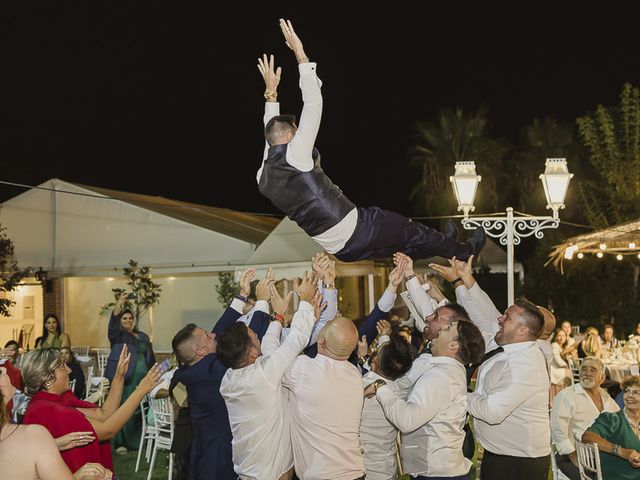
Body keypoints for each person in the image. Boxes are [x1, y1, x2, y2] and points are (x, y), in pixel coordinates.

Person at [256, 19, 486, 263]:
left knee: (406, 245)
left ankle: (447, 245)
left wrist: (271, 92)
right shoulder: (296, 155)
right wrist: (300, 54)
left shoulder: (263, 177)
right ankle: (465, 252)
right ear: (291, 136)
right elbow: (313, 103)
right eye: (296, 130)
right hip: (359, 229)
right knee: (410, 230)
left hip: (340, 251)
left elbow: (269, 134)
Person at [430, 256, 551, 480]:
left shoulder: (526, 366)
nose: (500, 318)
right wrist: (463, 280)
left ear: (523, 330)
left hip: (520, 463)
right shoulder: (505, 343)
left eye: (508, 317)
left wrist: (454, 391)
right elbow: (483, 312)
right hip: (502, 456)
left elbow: (492, 412)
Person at [170, 268, 272, 480]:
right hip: (219, 457)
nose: (213, 335)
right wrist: (262, 302)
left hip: (204, 450)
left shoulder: (195, 368)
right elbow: (244, 342)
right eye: (207, 336)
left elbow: (218, 332)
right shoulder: (211, 369)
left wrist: (242, 295)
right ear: (199, 351)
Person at [218, 272, 321, 480]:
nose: (257, 333)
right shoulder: (263, 375)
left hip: (248, 470)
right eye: (253, 335)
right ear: (252, 353)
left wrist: (279, 318)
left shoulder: (229, 378)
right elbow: (297, 339)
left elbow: (270, 352)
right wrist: (306, 302)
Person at [367, 320, 484, 480]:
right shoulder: (449, 370)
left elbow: (406, 420)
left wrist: (379, 387)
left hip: (436, 474)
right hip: (440, 470)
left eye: (448, 328)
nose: (442, 327)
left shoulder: (440, 377)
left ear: (453, 346)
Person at [21, 346, 162, 474]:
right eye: (62, 366)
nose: (69, 370)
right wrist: (141, 389)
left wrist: (119, 376)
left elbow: (103, 415)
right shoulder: (50, 410)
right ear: (47, 377)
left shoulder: (53, 401)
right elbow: (108, 429)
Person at [282, 313, 365, 479]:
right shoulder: (355, 374)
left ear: (321, 341)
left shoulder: (305, 370)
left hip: (323, 475)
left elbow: (275, 357)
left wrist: (281, 319)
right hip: (355, 471)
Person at [0, 389, 113, 480]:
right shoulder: (34, 433)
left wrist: (53, 444)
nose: (5, 372)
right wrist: (78, 476)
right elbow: (109, 429)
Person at [551, 357, 619, 480]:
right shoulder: (567, 396)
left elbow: (621, 426)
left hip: (604, 457)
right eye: (584, 369)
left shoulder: (608, 399)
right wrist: (574, 456)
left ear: (602, 378)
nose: (587, 373)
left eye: (593, 370)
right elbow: (558, 431)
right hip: (572, 456)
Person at [104, 291, 156, 454]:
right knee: (122, 407)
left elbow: (150, 356)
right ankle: (120, 443)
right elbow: (112, 322)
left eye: (130, 318)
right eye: (124, 318)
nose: (127, 321)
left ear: (134, 321)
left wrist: (155, 372)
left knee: (139, 409)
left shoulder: (143, 336)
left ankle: (137, 441)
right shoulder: (118, 335)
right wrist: (120, 301)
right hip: (126, 378)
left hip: (142, 379)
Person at [359, 334, 415, 479]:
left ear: (376, 359)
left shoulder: (361, 386)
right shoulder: (402, 388)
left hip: (363, 470)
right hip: (386, 469)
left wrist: (363, 359)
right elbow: (391, 363)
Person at [583, 375, 640, 479]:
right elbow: (587, 437)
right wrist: (621, 451)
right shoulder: (611, 419)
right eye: (626, 391)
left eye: (636, 392)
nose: (629, 395)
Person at [549, 328, 572, 403]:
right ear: (555, 337)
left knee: (569, 373)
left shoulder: (561, 347)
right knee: (569, 373)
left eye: (563, 336)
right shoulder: (554, 345)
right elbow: (558, 360)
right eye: (559, 335)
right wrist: (566, 365)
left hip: (558, 370)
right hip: (555, 371)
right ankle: (564, 399)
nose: (561, 338)